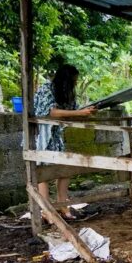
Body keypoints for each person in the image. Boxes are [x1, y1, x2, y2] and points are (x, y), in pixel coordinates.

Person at [34, 64, 97, 220]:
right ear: (65, 80)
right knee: (43, 172)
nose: (75, 84)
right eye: (73, 81)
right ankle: (46, 210)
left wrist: (86, 112)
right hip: (41, 134)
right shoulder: (46, 89)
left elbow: (73, 111)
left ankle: (62, 204)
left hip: (56, 135)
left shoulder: (67, 93)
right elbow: (51, 112)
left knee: (64, 169)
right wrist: (80, 113)